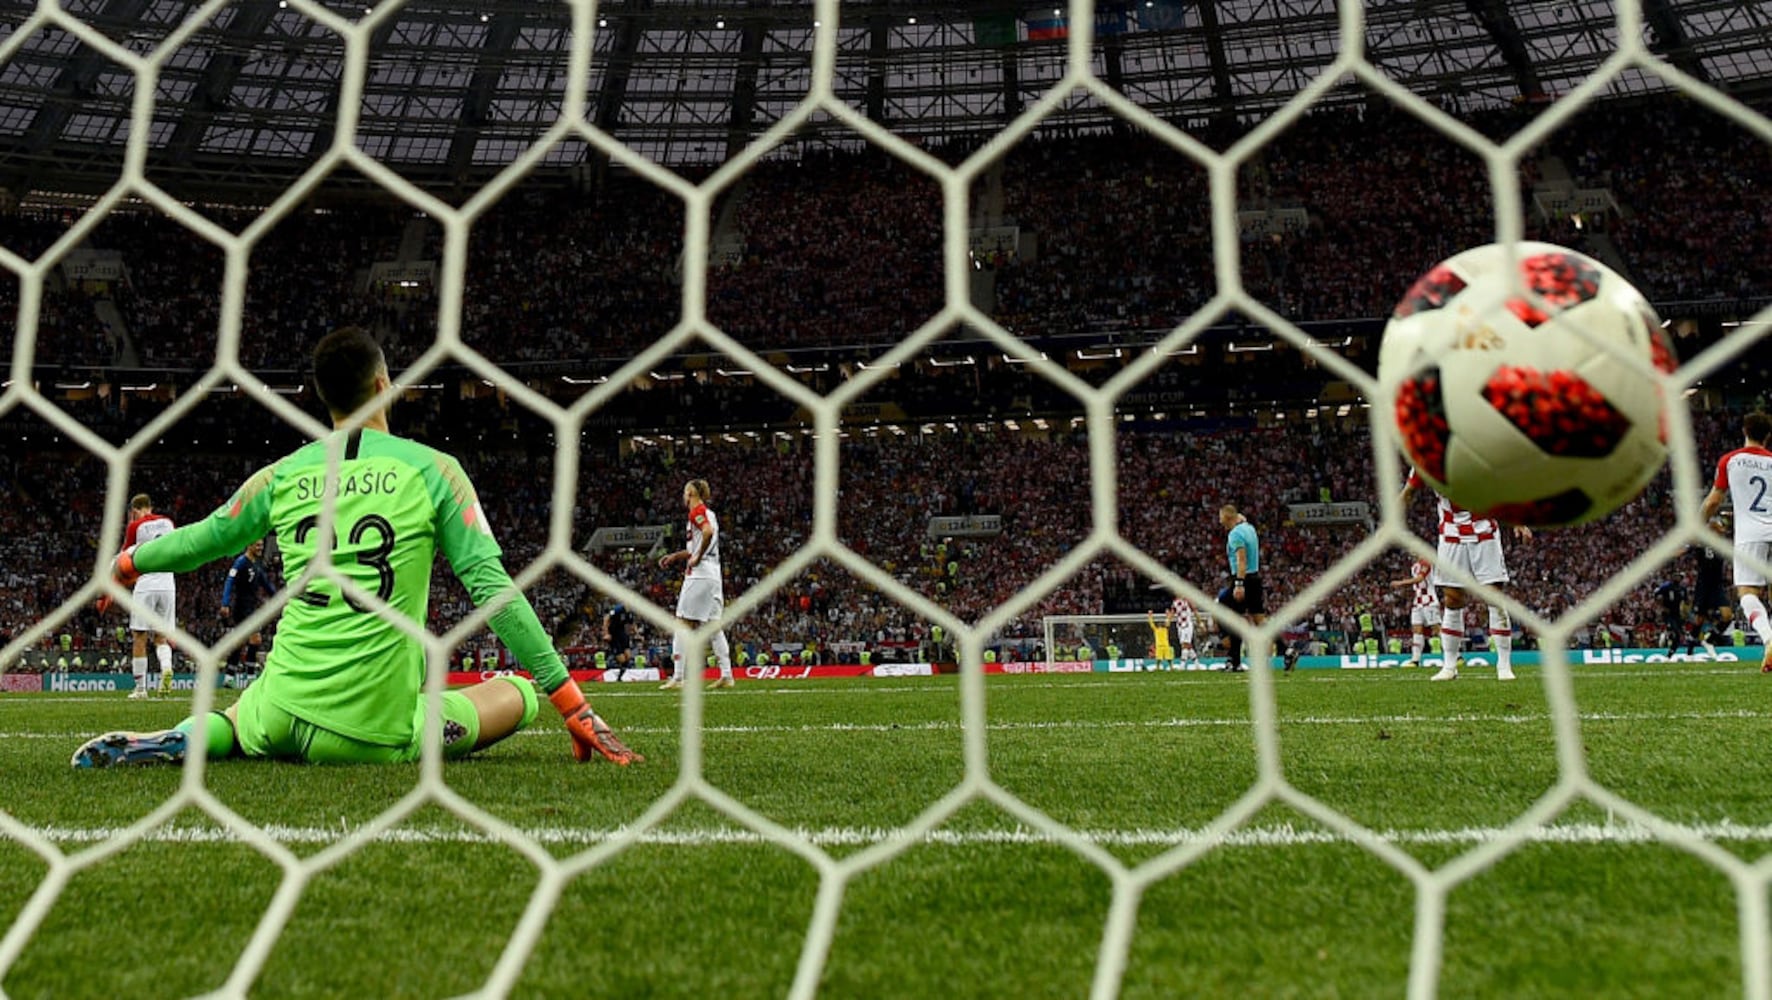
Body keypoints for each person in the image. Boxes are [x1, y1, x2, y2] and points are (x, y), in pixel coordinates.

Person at [71, 327, 640, 768]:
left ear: (323, 398)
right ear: (383, 383)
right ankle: (459, 715)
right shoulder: (436, 471)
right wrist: (574, 703)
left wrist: (124, 563)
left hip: (279, 711)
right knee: (517, 695)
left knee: (240, 717)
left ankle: (189, 737)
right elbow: (493, 591)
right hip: (370, 731)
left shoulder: (282, 474)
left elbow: (201, 540)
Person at [1400, 469, 1531, 682]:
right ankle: (1449, 666)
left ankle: (1504, 665)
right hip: (1451, 537)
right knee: (1452, 600)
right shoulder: (1425, 459)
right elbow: (1408, 493)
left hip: (1485, 534)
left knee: (1494, 598)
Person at [1700, 411, 1772, 671]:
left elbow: (1714, 501)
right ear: (1768, 436)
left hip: (1751, 534)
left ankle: (1769, 639)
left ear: (1744, 431)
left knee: (1748, 594)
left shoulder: (1731, 460)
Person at [657, 478, 735, 690]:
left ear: (690, 493)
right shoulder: (709, 513)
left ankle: (679, 676)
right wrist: (675, 556)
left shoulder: (696, 512)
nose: (684, 496)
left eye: (685, 492)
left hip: (700, 574)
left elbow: (707, 533)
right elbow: (701, 541)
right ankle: (727, 675)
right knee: (713, 626)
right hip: (713, 574)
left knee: (682, 623)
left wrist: (698, 557)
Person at [98, 493, 177, 699]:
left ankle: (141, 689)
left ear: (134, 511)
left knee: (139, 636)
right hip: (168, 584)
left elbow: (125, 556)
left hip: (146, 584)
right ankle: (166, 668)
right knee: (161, 637)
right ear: (151, 506)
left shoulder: (135, 526)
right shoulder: (168, 523)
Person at [1215, 504, 1297, 672]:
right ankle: (1286, 650)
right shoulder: (1248, 528)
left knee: (1223, 607)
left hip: (1242, 579)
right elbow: (1241, 518)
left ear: (1229, 518)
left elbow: (1241, 560)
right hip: (1255, 579)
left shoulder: (1235, 534)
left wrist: (1238, 584)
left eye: (1221, 517)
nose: (1220, 521)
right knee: (1260, 620)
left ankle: (1233, 659)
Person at [219, 538, 279, 684]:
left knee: (240, 642)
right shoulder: (241, 562)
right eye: (258, 545)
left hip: (251, 607)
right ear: (249, 545)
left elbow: (265, 582)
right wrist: (225, 602)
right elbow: (229, 581)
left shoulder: (257, 564)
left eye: (262, 545)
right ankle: (250, 677)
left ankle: (229, 676)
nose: (260, 548)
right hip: (242, 607)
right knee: (255, 639)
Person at [1389, 557, 1439, 668]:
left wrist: (1401, 583)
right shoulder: (1414, 566)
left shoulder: (1426, 562)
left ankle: (1456, 656)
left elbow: (1420, 578)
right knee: (1416, 630)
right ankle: (1415, 660)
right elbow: (1417, 585)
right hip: (1418, 602)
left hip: (1429, 600)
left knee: (1436, 630)